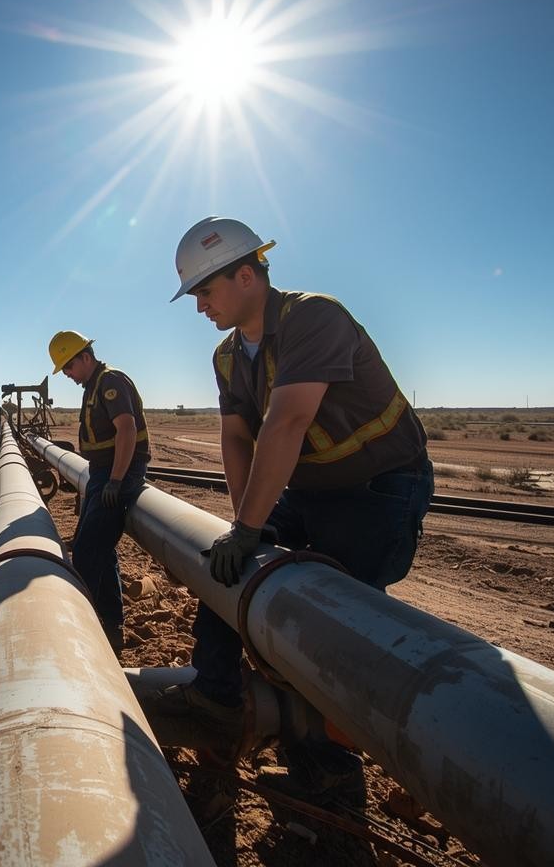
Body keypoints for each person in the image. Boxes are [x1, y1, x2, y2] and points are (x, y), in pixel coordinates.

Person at [155, 216, 434, 808]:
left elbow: (286, 422)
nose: (199, 305)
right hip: (309, 490)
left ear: (248, 275)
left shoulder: (313, 317)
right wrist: (242, 530)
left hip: (379, 487)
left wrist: (252, 527)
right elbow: (237, 438)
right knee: (223, 569)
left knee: (332, 619)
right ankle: (217, 698)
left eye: (206, 291)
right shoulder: (229, 356)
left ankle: (333, 773)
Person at [47, 331, 150, 652]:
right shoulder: (94, 385)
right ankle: (111, 622)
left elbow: (127, 429)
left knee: (89, 551)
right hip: (102, 473)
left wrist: (117, 480)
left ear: (85, 357)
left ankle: (82, 624)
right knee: (98, 548)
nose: (67, 374)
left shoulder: (109, 382)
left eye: (68, 366)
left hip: (116, 474)